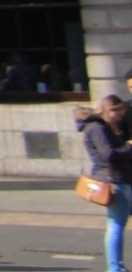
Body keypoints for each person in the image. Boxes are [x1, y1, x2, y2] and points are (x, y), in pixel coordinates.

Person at [81, 94, 132, 272]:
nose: (119, 117)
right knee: (116, 225)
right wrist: (129, 146)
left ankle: (116, 267)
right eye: (116, 112)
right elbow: (108, 155)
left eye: (122, 112)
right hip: (113, 180)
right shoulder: (97, 128)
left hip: (119, 179)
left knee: (116, 224)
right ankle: (115, 268)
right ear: (107, 110)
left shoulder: (104, 127)